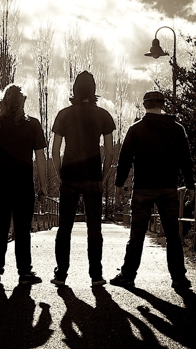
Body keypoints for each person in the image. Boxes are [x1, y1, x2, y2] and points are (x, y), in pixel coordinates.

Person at [110, 90, 195, 290]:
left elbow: (124, 160)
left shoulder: (136, 129)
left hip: (142, 189)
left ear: (145, 105)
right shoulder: (177, 129)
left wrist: (119, 186)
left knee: (137, 235)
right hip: (168, 189)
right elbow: (186, 160)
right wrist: (190, 185)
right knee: (173, 235)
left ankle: (128, 275)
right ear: (162, 104)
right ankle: (178, 278)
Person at [51, 71, 115, 287]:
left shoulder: (64, 114)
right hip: (92, 177)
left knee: (65, 227)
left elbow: (55, 150)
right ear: (94, 89)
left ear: (75, 90)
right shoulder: (103, 115)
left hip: (69, 176)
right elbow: (109, 151)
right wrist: (103, 175)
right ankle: (96, 275)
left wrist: (60, 174)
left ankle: (61, 274)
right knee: (94, 227)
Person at [0, 84, 47, 285]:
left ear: (3, 101)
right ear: (22, 101)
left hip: (0, 183)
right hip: (24, 184)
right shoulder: (33, 124)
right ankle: (25, 272)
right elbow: (41, 158)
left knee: (0, 229)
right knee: (22, 229)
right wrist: (42, 185)